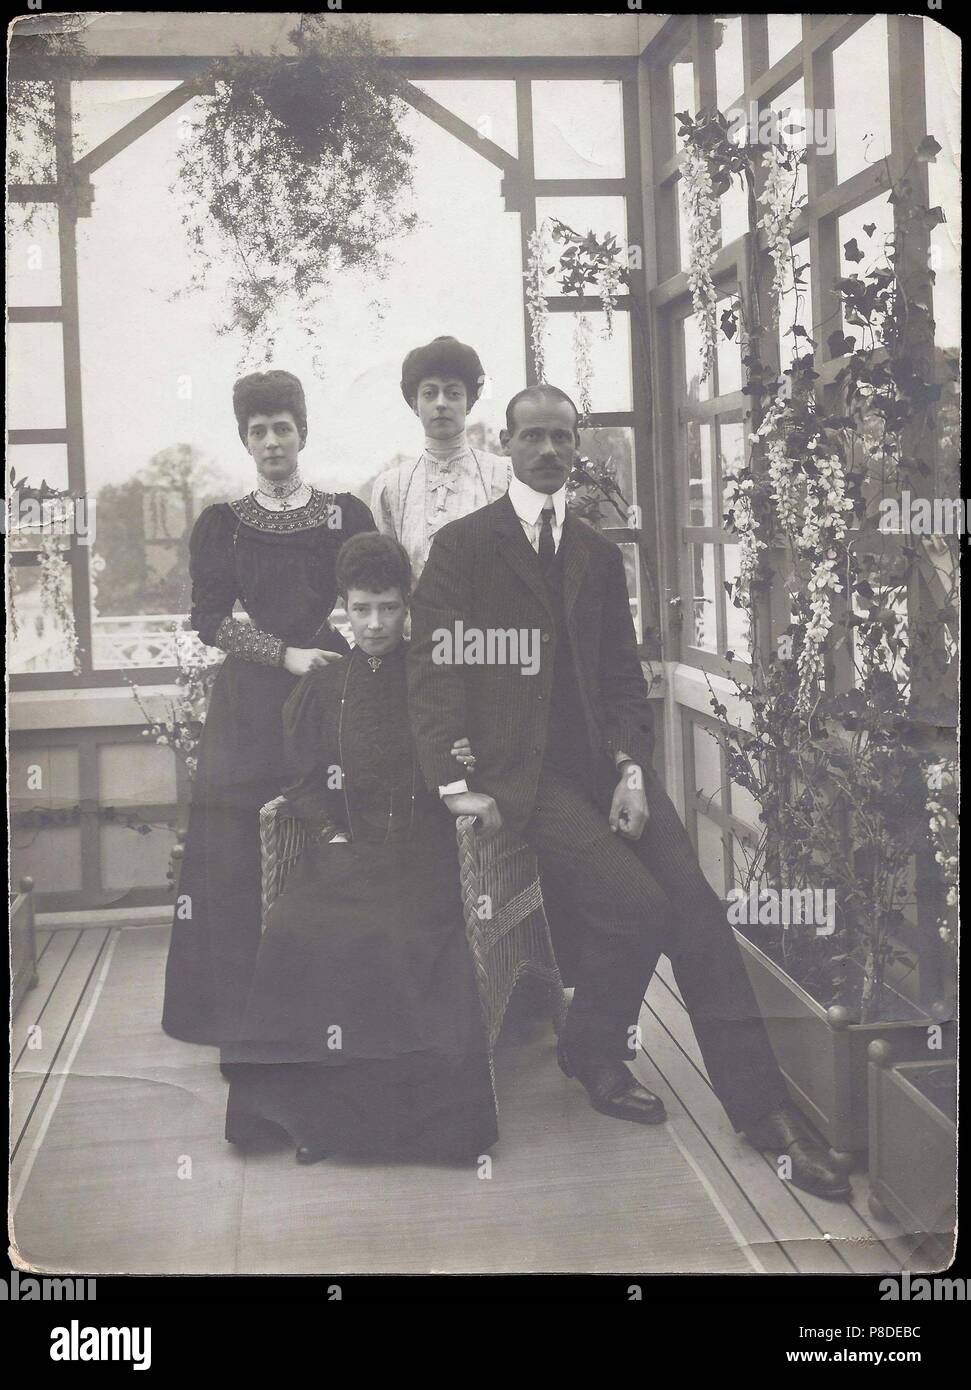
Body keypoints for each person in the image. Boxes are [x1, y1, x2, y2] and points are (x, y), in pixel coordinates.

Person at [406, 383, 852, 1201]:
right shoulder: (463, 547)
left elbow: (621, 679)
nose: (547, 451)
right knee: (638, 907)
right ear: (503, 444)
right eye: (531, 437)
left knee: (696, 913)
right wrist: (454, 782)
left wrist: (631, 769)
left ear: (578, 449)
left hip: (603, 772)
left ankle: (765, 1118)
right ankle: (595, 1048)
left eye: (561, 439)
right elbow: (432, 671)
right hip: (524, 780)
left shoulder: (594, 554)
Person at [223, 532, 497, 1164]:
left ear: (408, 608)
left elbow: (467, 762)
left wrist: (464, 758)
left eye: (389, 609)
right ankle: (311, 1117)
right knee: (297, 928)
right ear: (342, 608)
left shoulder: (436, 679)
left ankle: (407, 1128)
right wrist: (330, 829)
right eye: (361, 609)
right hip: (342, 847)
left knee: (396, 935)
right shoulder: (325, 684)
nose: (375, 625)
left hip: (421, 850)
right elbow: (303, 777)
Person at [162, 369, 376, 1049]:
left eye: (283, 427)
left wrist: (343, 662)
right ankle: (239, 1008)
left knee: (332, 830)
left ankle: (337, 1000)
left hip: (329, 687)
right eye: (259, 430)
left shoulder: (344, 511)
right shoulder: (222, 525)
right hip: (251, 699)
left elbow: (370, 592)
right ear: (245, 440)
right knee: (236, 843)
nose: (272, 440)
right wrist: (282, 655)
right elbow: (207, 618)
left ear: (302, 432)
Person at [370, 335, 509, 585]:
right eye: (430, 394)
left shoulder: (503, 475)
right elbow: (388, 579)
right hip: (419, 623)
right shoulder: (391, 487)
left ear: (468, 404)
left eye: (453, 393)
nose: (441, 403)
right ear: (415, 405)